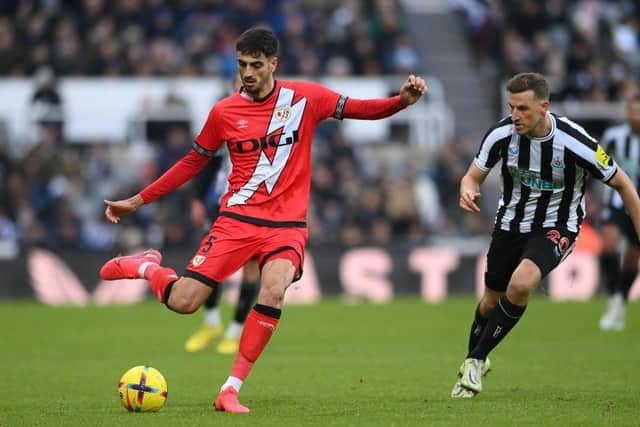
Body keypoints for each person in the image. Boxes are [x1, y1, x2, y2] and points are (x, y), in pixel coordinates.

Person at [99, 27, 426, 413]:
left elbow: (360, 108)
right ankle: (147, 268)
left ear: (274, 63)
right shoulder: (224, 112)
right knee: (185, 302)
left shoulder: (306, 98)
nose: (248, 72)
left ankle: (230, 389)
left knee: (272, 291)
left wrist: (400, 102)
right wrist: (138, 200)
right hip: (236, 219)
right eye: (242, 64)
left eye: (256, 64)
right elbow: (192, 162)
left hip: (287, 226)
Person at [451, 72, 640, 398]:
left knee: (522, 284)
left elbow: (623, 183)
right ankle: (475, 362)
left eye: (523, 108)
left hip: (557, 225)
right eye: (512, 107)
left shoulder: (575, 142)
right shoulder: (500, 135)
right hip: (510, 224)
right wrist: (467, 190)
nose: (515, 116)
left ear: (544, 107)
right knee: (490, 301)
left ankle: (474, 360)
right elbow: (471, 176)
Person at [185, 149, 260, 354]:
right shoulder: (227, 124)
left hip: (256, 207)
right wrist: (197, 199)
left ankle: (234, 333)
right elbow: (208, 161)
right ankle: (211, 323)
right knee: (210, 264)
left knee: (251, 269)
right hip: (222, 206)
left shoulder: (270, 127)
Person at [598, 96, 640, 331]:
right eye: (632, 111)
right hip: (615, 201)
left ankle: (620, 301)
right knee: (608, 245)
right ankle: (613, 295)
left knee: (633, 257)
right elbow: (598, 163)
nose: (635, 117)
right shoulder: (615, 136)